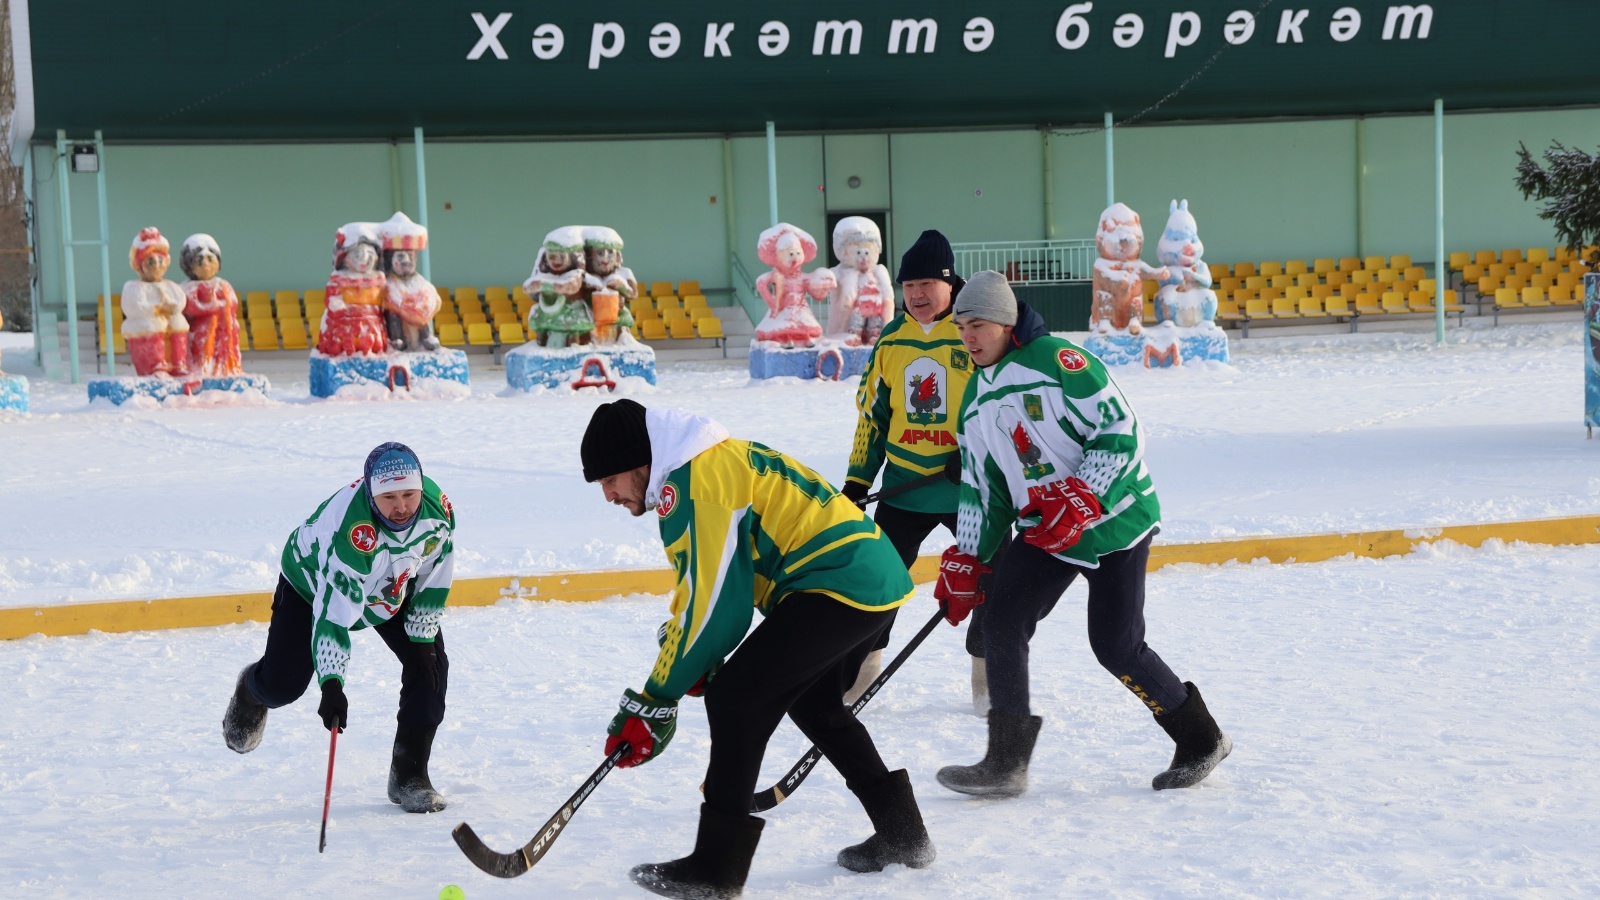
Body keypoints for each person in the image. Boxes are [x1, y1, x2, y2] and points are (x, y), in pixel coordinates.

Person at [582, 399, 933, 899]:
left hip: (838, 583)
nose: (608, 494)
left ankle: (716, 871)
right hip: (865, 578)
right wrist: (689, 657)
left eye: (610, 479)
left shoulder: (696, 483)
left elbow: (716, 610)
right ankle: (903, 836)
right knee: (814, 705)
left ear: (640, 461)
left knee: (736, 699)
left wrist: (656, 698)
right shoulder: (704, 465)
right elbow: (705, 590)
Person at [934, 271, 1232, 799]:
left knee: (1116, 647)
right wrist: (971, 557)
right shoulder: (976, 398)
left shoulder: (1060, 361)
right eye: (961, 328)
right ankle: (1006, 763)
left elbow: (1120, 428)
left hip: (1116, 519)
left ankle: (1201, 740)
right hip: (1046, 530)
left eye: (977, 325)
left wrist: (1083, 493)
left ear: (1005, 322)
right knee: (1001, 622)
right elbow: (983, 487)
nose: (968, 337)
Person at [222, 442, 457, 814]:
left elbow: (434, 571)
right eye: (389, 498)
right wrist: (332, 684)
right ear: (371, 494)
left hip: (389, 586)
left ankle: (410, 776)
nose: (401, 507)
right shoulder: (350, 531)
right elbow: (334, 614)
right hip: (312, 584)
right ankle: (251, 689)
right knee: (283, 686)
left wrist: (423, 638)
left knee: (430, 668)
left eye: (409, 495)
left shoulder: (436, 510)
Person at [843, 228, 994, 710]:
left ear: (950, 283)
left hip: (970, 491)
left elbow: (1005, 406)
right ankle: (861, 673)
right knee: (877, 582)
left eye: (927, 283)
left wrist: (976, 453)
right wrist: (857, 481)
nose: (917, 294)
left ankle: (988, 680)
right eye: (909, 285)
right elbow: (872, 417)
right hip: (904, 489)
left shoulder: (976, 331)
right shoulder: (892, 339)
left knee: (991, 583)